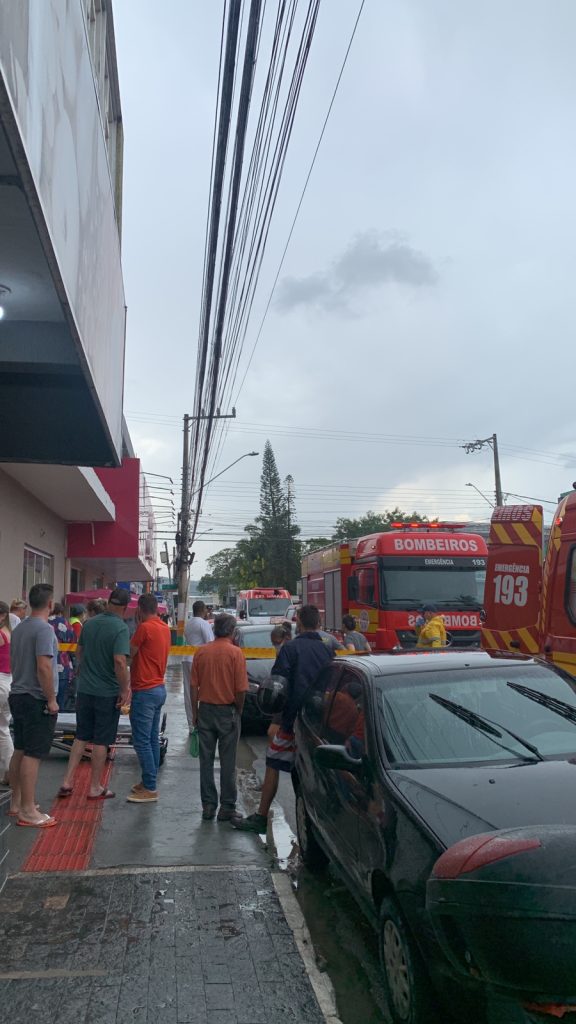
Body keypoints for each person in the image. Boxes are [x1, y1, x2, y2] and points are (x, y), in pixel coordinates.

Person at [233, 605, 334, 835]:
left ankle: (261, 816)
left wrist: (277, 719)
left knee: (273, 762)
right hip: (320, 722)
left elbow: (278, 686)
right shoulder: (328, 650)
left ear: (298, 623)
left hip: (292, 720)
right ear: (318, 623)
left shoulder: (290, 649)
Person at [58, 588, 131, 801]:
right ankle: (95, 787)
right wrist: (124, 689)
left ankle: (67, 781)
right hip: (107, 692)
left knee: (81, 735)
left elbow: (79, 653)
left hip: (86, 690)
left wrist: (85, 668)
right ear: (125, 608)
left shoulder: (89, 624)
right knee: (101, 740)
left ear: (108, 602)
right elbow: (119, 661)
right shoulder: (120, 628)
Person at [8, 583, 59, 827]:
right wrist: (51, 699)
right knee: (33, 754)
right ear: (50, 604)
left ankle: (17, 802)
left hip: (17, 694)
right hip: (36, 698)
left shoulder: (19, 628)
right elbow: (44, 666)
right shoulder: (45, 630)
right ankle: (28, 811)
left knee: (20, 748)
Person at [191, 613, 248, 822]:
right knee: (228, 762)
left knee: (205, 761)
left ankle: (208, 806)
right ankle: (227, 807)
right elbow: (241, 689)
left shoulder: (202, 653)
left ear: (214, 630)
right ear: (232, 631)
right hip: (228, 712)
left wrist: (195, 714)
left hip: (205, 710)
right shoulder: (236, 654)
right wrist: (238, 710)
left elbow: (193, 687)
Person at [127, 593, 171, 804]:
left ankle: (150, 786)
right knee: (152, 738)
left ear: (140, 610)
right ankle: (148, 781)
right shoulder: (164, 628)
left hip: (144, 690)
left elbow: (129, 652)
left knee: (141, 740)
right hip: (158, 688)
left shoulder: (144, 628)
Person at [182, 600, 214, 733]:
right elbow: (210, 644)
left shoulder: (188, 623)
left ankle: (191, 725)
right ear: (203, 610)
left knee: (189, 693)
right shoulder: (203, 623)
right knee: (205, 691)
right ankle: (204, 723)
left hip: (186, 659)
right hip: (200, 661)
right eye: (206, 610)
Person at [48, 603, 76, 710]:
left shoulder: (44, 622)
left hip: (46, 664)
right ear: (61, 612)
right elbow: (73, 642)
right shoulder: (64, 622)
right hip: (62, 665)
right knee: (61, 701)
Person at [0, 602, 13, 786]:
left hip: (1, 680)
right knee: (3, 728)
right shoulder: (10, 633)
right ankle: (9, 772)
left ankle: (10, 771)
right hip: (7, 680)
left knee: (2, 730)